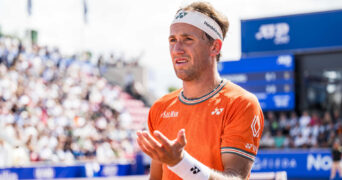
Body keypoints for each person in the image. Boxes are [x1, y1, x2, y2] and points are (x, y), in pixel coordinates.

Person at [136, 2, 264, 180]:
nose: (177, 49)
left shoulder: (241, 103)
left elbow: (235, 178)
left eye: (188, 39)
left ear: (215, 47)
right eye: (172, 40)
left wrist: (181, 163)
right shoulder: (160, 107)